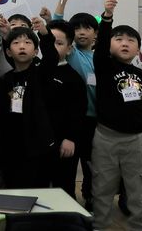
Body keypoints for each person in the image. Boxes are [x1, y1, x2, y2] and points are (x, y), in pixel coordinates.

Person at [91, 0, 142, 231]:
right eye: (118, 39)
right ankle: (100, 226)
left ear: (138, 49)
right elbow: (99, 50)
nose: (125, 43)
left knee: (138, 190)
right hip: (106, 138)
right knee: (102, 188)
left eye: (131, 40)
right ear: (109, 44)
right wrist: (107, 17)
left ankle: (141, 226)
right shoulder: (104, 66)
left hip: (136, 140)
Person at [0, 17, 58, 188]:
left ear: (35, 52)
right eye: (16, 43)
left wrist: (44, 32)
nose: (22, 46)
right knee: (14, 192)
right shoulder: (4, 81)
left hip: (39, 148)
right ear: (8, 52)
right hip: (11, 150)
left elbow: (51, 57)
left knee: (39, 192)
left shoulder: (41, 74)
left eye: (27, 43)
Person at [51, 0, 99, 210]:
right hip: (73, 121)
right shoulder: (72, 53)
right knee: (68, 164)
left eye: (87, 28)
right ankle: (67, 202)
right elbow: (56, 26)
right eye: (77, 28)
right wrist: (62, 2)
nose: (81, 32)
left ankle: (90, 197)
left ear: (95, 34)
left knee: (92, 164)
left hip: (95, 120)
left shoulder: (102, 57)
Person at [45, 20, 88, 198]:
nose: (53, 47)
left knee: (63, 188)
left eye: (59, 43)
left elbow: (78, 112)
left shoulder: (73, 78)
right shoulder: (36, 71)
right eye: (49, 42)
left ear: (69, 49)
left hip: (63, 142)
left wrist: (70, 138)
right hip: (39, 143)